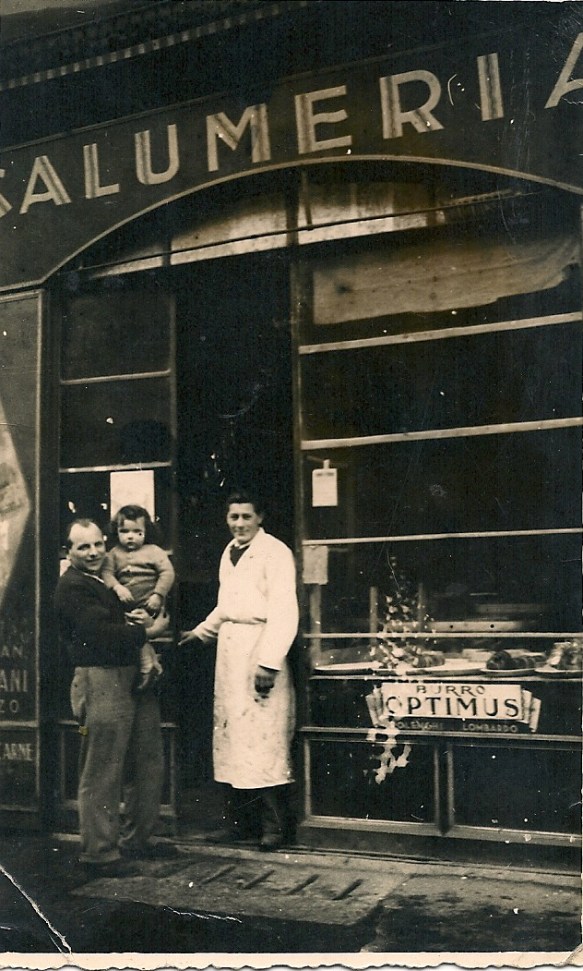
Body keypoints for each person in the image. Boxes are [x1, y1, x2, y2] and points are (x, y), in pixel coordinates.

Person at [55, 518, 177, 876]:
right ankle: (99, 853)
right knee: (103, 768)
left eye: (97, 544)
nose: (93, 552)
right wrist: (150, 632)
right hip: (101, 677)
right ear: (69, 551)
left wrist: (141, 644)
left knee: (147, 759)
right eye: (83, 547)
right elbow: (101, 634)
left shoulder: (102, 581)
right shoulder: (72, 587)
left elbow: (122, 625)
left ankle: (139, 837)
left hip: (130, 674)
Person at [179, 491, 299, 851]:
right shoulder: (229, 552)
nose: (240, 524)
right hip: (231, 655)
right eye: (234, 517)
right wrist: (201, 632)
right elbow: (227, 605)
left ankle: (273, 827)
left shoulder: (275, 552)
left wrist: (269, 662)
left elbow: (284, 610)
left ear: (260, 517)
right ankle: (238, 824)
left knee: (263, 740)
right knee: (233, 738)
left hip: (259, 649)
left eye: (246, 516)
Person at [102, 504, 175, 691]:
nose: (130, 536)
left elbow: (167, 573)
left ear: (146, 532)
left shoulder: (154, 551)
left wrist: (158, 594)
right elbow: (107, 574)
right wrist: (117, 587)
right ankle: (150, 666)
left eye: (137, 532)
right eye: (124, 531)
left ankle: (149, 667)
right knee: (134, 633)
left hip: (151, 604)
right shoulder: (113, 554)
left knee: (144, 632)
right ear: (116, 532)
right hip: (126, 607)